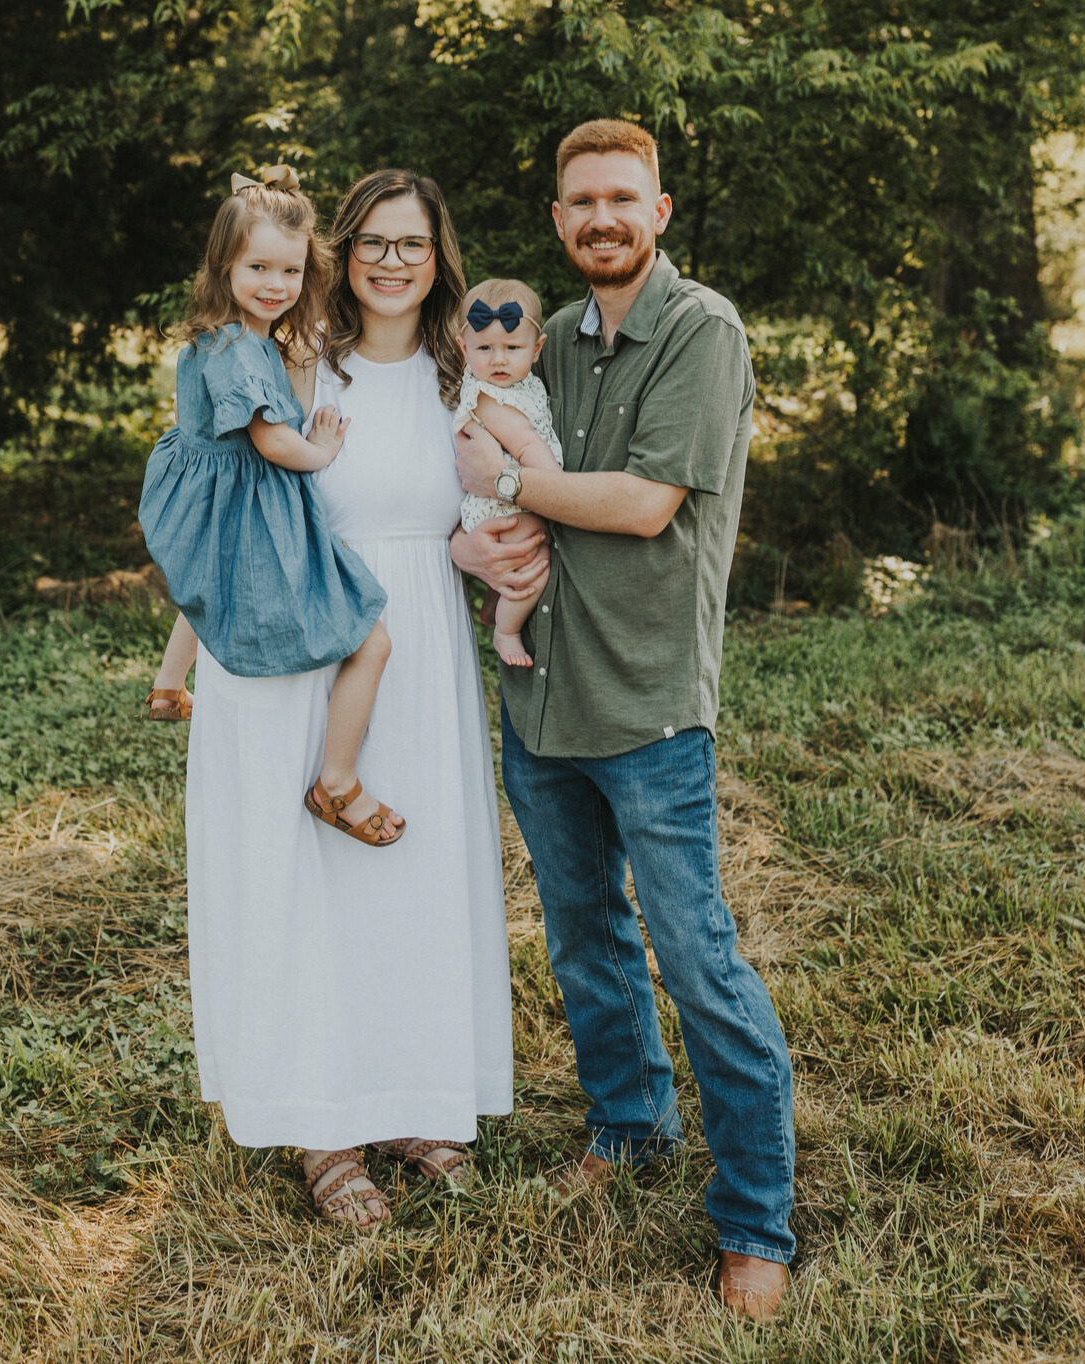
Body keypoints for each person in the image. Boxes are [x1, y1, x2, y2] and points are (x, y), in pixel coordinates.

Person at [452, 119, 796, 1320]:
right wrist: (468, 531)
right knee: (583, 932)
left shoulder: (700, 329)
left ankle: (756, 1219)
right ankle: (628, 1123)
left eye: (622, 198)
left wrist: (498, 482)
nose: (601, 217)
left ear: (659, 210)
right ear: (558, 221)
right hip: (541, 693)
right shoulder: (538, 338)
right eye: (581, 201)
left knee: (697, 956)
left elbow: (645, 504)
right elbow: (467, 454)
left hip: (649, 708)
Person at [181, 166, 514, 1227]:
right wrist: (183, 651)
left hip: (419, 642)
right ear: (343, 251)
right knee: (310, 885)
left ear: (438, 258)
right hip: (302, 635)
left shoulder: (469, 372)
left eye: (411, 244)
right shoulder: (292, 364)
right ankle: (323, 1121)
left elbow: (484, 509)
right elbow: (221, 496)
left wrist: (501, 559)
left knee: (415, 875)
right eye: (372, 240)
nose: (390, 260)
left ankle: (415, 1097)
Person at [139, 167, 403, 846]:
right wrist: (319, 451)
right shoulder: (244, 350)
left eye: (289, 271)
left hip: (213, 500)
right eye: (258, 266)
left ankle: (169, 684)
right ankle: (337, 781)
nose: (275, 285)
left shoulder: (220, 337)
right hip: (252, 506)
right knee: (370, 639)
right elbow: (269, 439)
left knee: (207, 583)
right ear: (223, 264)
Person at [452, 279, 563, 667]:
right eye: (485, 348)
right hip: (501, 507)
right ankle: (507, 630)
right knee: (536, 562)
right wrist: (560, 493)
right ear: (463, 348)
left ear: (536, 350)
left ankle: (494, 604)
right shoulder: (489, 395)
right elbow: (526, 446)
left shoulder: (522, 385)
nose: (498, 360)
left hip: (509, 493)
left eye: (512, 349)